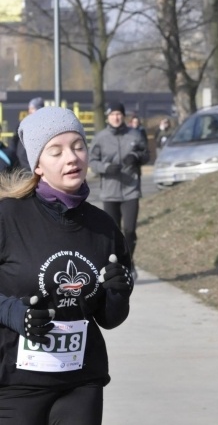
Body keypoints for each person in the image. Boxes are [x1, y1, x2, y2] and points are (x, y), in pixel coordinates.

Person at [0, 106, 133, 424]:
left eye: (78, 146)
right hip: (14, 384)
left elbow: (109, 319)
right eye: (56, 151)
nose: (71, 158)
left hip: (81, 380)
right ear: (38, 166)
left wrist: (118, 293)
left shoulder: (103, 226)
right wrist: (17, 315)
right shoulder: (8, 217)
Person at [89, 101, 150, 279]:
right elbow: (92, 162)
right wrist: (106, 168)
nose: (116, 117)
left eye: (119, 114)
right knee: (113, 232)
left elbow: (146, 154)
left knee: (129, 229)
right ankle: (115, 266)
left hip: (131, 190)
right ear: (108, 117)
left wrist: (136, 157)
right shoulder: (100, 138)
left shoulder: (135, 134)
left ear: (123, 116)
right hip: (110, 191)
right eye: (112, 114)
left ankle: (129, 262)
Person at [11, 96, 45, 172]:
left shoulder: (44, 124)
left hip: (32, 165)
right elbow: (14, 141)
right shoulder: (23, 123)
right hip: (24, 165)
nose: (30, 111)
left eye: (32, 108)